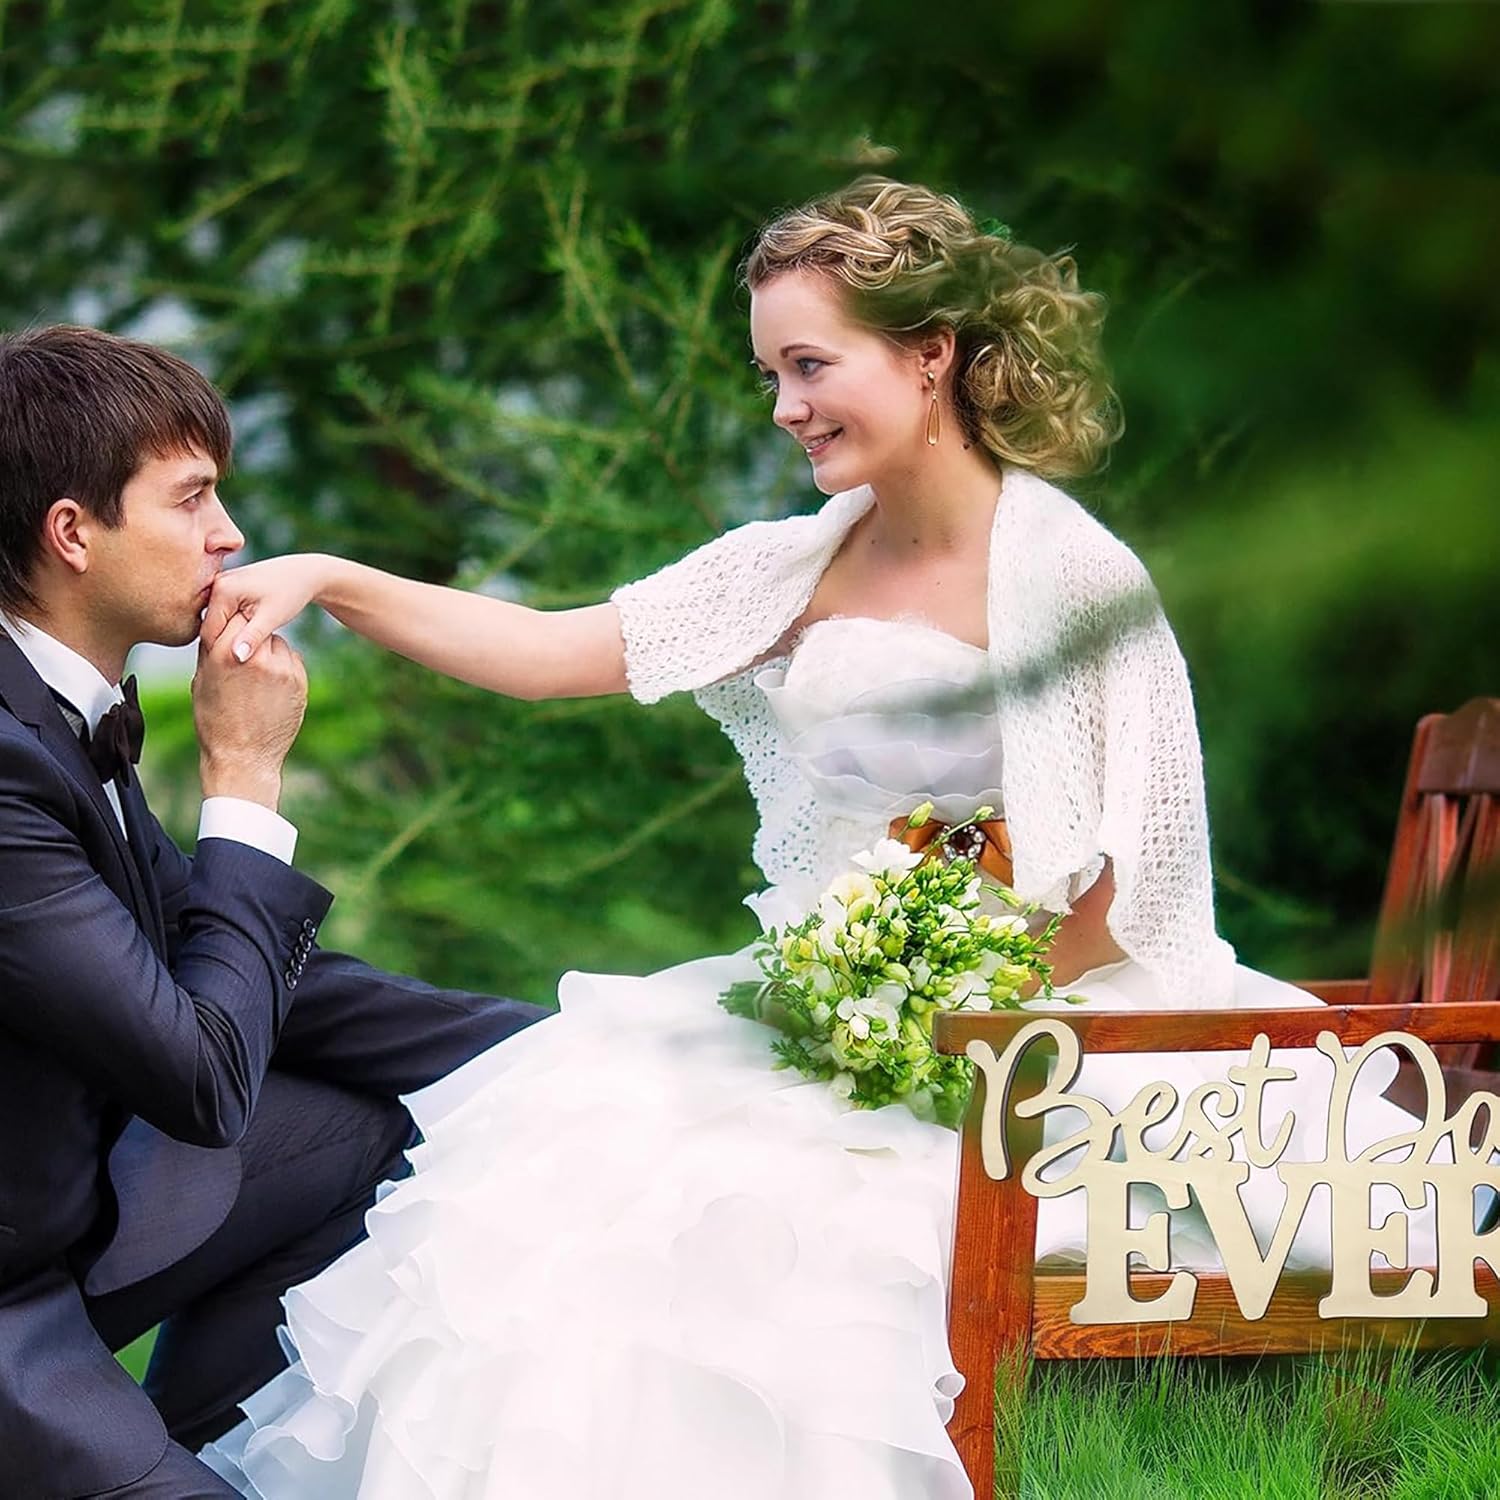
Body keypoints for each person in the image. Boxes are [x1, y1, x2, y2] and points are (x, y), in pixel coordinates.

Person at [196, 178, 1432, 1499]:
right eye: (771, 373)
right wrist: (330, 578)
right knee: (579, 1202)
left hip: (1047, 1029)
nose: (784, 406)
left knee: (786, 1251)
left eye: (807, 365)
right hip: (830, 1002)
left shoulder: (1077, 583)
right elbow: (554, 650)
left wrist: (942, 1022)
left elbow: (1136, 894)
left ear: (930, 352)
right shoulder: (794, 564)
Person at [0, 326, 548, 1499]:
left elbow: (228, 964)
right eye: (192, 497)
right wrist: (243, 779)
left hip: (63, 1219)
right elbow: (201, 1078)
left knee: (380, 1127)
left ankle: (199, 1451)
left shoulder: (60, 701)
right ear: (72, 533)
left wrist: (550, 1051)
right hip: (8, 1302)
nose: (231, 536)